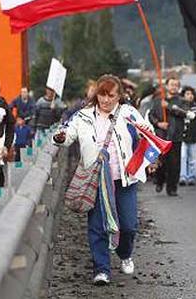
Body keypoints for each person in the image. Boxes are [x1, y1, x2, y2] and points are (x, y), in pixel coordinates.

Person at [52, 75, 153, 286]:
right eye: (102, 95)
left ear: (119, 96)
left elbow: (146, 131)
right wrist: (60, 137)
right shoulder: (84, 116)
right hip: (95, 179)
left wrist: (148, 134)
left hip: (124, 179)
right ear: (96, 94)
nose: (106, 100)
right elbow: (67, 134)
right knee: (97, 225)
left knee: (128, 225)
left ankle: (124, 253)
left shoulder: (128, 113)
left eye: (111, 95)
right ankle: (102, 269)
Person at [149, 76, 189, 196]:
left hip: (175, 136)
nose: (174, 87)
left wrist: (169, 107)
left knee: (174, 164)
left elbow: (183, 113)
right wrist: (158, 123)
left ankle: (172, 188)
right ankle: (159, 181)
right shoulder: (158, 100)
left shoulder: (182, 101)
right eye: (172, 84)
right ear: (167, 86)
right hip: (161, 136)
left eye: (176, 85)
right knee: (161, 162)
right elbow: (151, 115)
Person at [179, 86, 196, 186]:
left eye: (191, 94)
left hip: (194, 136)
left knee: (193, 158)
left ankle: (192, 176)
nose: (190, 96)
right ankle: (183, 176)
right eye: (187, 94)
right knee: (183, 157)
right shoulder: (180, 106)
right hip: (182, 136)